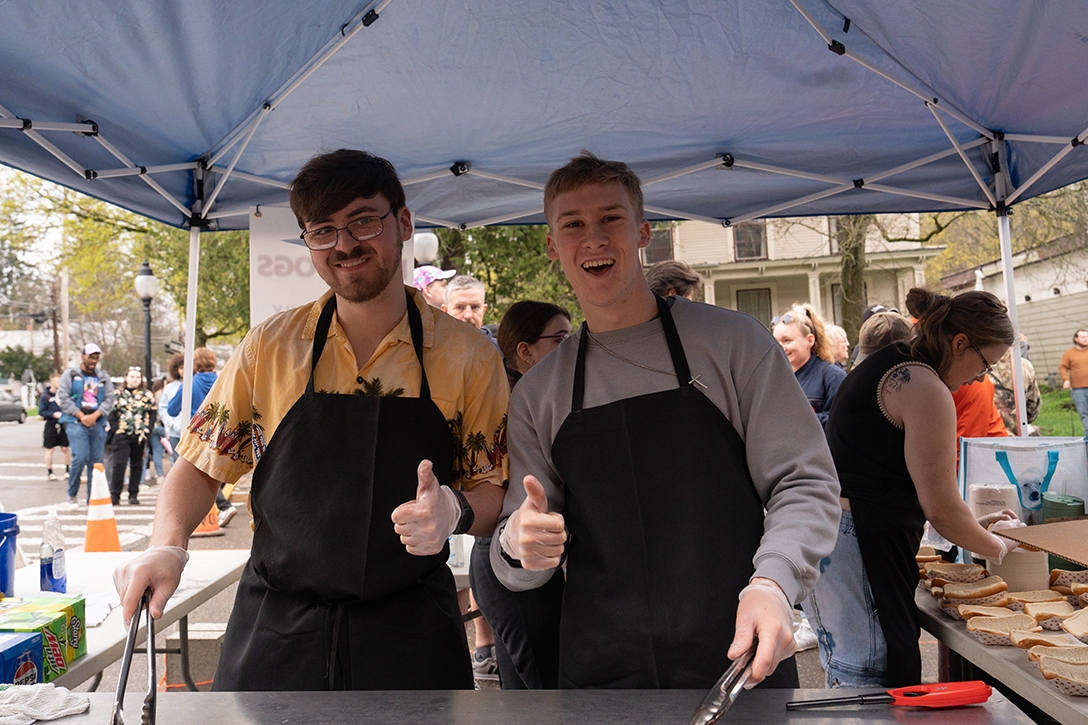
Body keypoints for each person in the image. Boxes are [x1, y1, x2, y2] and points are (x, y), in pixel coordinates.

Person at [113, 149, 509, 692]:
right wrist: (168, 543)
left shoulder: (468, 356)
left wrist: (454, 510)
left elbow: (495, 491)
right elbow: (201, 466)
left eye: (363, 221)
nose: (345, 244)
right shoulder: (272, 346)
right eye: (323, 230)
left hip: (411, 637)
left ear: (404, 224)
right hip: (276, 632)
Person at [491, 153, 841, 690]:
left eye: (611, 218)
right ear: (552, 246)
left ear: (643, 232)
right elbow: (520, 549)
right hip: (603, 671)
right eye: (573, 224)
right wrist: (520, 545)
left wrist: (774, 580)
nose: (594, 238)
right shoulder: (539, 392)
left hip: (741, 654)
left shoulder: (734, 344)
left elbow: (805, 481)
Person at [803, 288, 1025, 689]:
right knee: (872, 671)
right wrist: (999, 547)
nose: (980, 377)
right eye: (986, 364)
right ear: (961, 343)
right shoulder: (924, 387)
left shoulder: (894, 361)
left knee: (860, 663)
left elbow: (903, 481)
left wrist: (972, 523)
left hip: (838, 533)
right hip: (858, 540)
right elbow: (939, 506)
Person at [468, 301, 572, 689]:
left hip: (524, 557)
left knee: (523, 684)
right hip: (505, 555)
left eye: (572, 336)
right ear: (525, 351)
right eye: (560, 338)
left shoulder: (545, 396)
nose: (571, 346)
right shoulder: (508, 404)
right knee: (545, 684)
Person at [167, 347, 236, 525]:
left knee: (197, 475)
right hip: (222, 433)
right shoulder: (224, 379)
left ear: (194, 363)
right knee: (214, 474)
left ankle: (223, 506)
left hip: (198, 435)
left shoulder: (190, 383)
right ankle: (217, 508)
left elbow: (172, 409)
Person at [57, 344, 115, 506]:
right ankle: (72, 493)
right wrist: (81, 416)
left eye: (96, 358)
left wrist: (95, 415)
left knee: (96, 462)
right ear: (82, 356)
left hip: (98, 422)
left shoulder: (103, 376)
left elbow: (110, 399)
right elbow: (63, 397)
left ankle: (93, 498)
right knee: (81, 457)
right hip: (76, 421)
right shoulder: (71, 375)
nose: (93, 361)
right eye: (90, 357)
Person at [772, 305, 846, 428]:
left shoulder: (833, 376)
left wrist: (797, 415)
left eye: (787, 340)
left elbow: (842, 424)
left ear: (810, 341)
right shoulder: (773, 378)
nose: (780, 348)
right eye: (775, 342)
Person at [110, 367, 157, 506]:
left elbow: (153, 412)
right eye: (132, 376)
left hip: (140, 434)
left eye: (137, 377)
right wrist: (115, 429)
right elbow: (112, 412)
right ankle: (115, 495)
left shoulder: (147, 394)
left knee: (137, 465)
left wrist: (148, 429)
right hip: (122, 433)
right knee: (119, 465)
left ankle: (133, 493)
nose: (135, 379)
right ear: (126, 378)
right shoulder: (118, 393)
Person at [991, 339, 1040, 436]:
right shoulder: (1024, 366)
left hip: (983, 441)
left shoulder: (977, 363)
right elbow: (1033, 410)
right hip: (1015, 440)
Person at [39, 373, 71, 481]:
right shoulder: (46, 396)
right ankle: (50, 472)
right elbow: (41, 411)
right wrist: (53, 414)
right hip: (51, 424)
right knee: (50, 448)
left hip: (63, 424)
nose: (59, 383)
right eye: (57, 381)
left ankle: (67, 471)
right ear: (52, 382)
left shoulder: (63, 395)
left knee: (65, 448)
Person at [1059, 329, 1088, 432]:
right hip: (1078, 389)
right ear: (1076, 339)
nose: (1086, 339)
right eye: (1083, 337)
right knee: (1084, 413)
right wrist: (1066, 380)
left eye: (1087, 337)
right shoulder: (1069, 353)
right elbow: (1062, 367)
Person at [159, 353, 184, 464]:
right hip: (175, 432)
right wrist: (172, 424)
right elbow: (163, 408)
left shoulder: (196, 385)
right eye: (181, 368)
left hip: (192, 432)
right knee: (176, 462)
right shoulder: (169, 388)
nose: (184, 370)